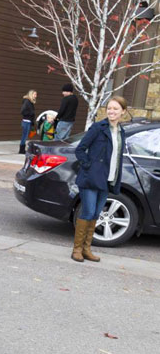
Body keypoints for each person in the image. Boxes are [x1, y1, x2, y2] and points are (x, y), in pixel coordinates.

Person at [71, 96, 127, 263]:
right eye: (109, 108)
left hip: (107, 179)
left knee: (96, 214)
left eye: (115, 109)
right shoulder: (98, 127)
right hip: (90, 178)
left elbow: (116, 156)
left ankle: (87, 249)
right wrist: (89, 166)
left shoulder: (121, 132)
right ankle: (77, 250)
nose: (111, 111)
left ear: (123, 111)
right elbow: (80, 149)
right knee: (87, 212)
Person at [20, 89, 37, 154]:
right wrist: (31, 113)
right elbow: (22, 111)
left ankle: (22, 149)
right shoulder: (27, 101)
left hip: (28, 121)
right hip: (26, 121)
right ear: (31, 94)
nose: (36, 96)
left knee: (25, 136)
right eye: (35, 94)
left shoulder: (30, 102)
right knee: (24, 136)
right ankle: (21, 150)